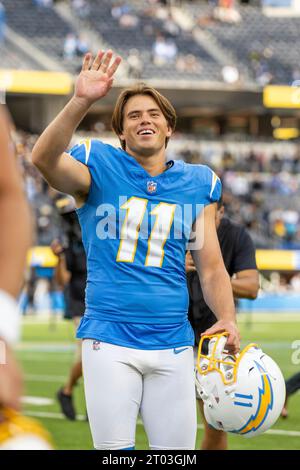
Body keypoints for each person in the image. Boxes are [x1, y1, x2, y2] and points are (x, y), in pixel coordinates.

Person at [32, 49, 240, 450]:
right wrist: (81, 100)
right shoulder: (98, 166)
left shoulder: (197, 183)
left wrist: (227, 317)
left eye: (152, 114)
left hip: (174, 342)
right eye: (133, 116)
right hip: (110, 338)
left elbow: (211, 267)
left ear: (168, 128)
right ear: (122, 134)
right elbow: (43, 158)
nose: (144, 119)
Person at [186, 197, 259, 450]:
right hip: (171, 334)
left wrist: (214, 277)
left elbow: (252, 287)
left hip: (213, 341)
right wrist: (174, 269)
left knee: (216, 423)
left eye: (209, 216)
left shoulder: (236, 235)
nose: (201, 223)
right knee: (168, 423)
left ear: (221, 212)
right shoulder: (177, 226)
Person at [51, 197, 87, 421]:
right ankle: (66, 391)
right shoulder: (69, 245)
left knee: (95, 355)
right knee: (89, 353)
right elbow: (62, 280)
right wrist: (60, 258)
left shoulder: (95, 237)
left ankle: (66, 391)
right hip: (78, 301)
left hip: (99, 299)